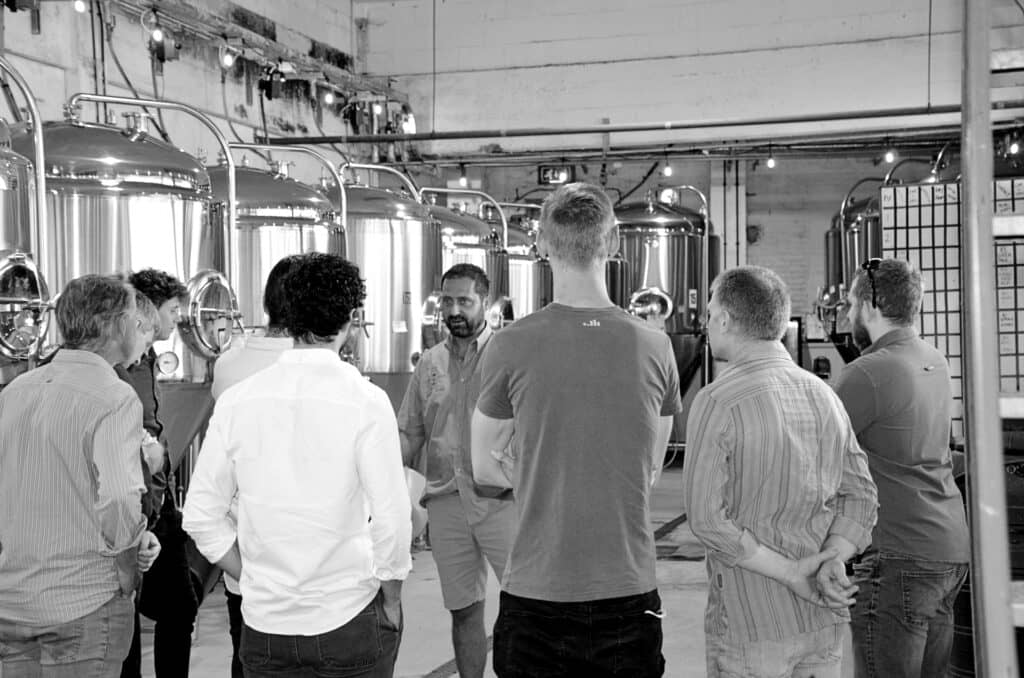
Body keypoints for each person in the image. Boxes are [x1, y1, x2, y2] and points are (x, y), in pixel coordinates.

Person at [471, 182, 679, 678]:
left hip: (536, 595)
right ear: (612, 243)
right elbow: (650, 466)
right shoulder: (655, 346)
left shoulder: (509, 345)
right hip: (627, 590)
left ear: (542, 245)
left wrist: (540, 470)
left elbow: (484, 466)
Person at [183, 252, 412, 678]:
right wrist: (393, 595)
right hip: (349, 618)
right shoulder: (366, 402)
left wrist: (250, 575)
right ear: (350, 319)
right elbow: (392, 520)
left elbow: (199, 517)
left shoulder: (238, 401)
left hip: (265, 628)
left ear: (285, 318)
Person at [682, 265, 878, 678]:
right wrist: (831, 560)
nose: (707, 322)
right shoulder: (824, 393)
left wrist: (792, 572)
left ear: (724, 319)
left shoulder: (718, 400)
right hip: (823, 621)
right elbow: (861, 497)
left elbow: (706, 520)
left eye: (711, 310)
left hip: (751, 625)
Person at [0, 274, 161, 677]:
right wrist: (127, 563)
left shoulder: (16, 390)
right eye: (133, 319)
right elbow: (120, 497)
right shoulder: (114, 396)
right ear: (115, 324)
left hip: (13, 600)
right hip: (82, 602)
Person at [834, 258, 969, 678]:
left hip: (899, 558)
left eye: (853, 304)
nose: (850, 315)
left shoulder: (868, 372)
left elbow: (814, 455)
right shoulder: (934, 359)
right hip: (947, 550)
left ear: (871, 306)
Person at [398, 263, 516, 678]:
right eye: (447, 300)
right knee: (464, 610)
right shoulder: (429, 363)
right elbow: (410, 434)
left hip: (503, 501)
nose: (453, 309)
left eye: (464, 301)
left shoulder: (509, 355)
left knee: (523, 606)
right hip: (447, 502)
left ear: (486, 302)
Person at [210, 254, 302, 678]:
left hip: (244, 549)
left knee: (246, 652)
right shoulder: (320, 369)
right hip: (306, 557)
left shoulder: (230, 363)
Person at [119, 268, 195, 678]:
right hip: (132, 505)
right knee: (124, 619)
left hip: (159, 503)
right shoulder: (121, 367)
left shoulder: (147, 360)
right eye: (172, 309)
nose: (178, 318)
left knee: (180, 607)